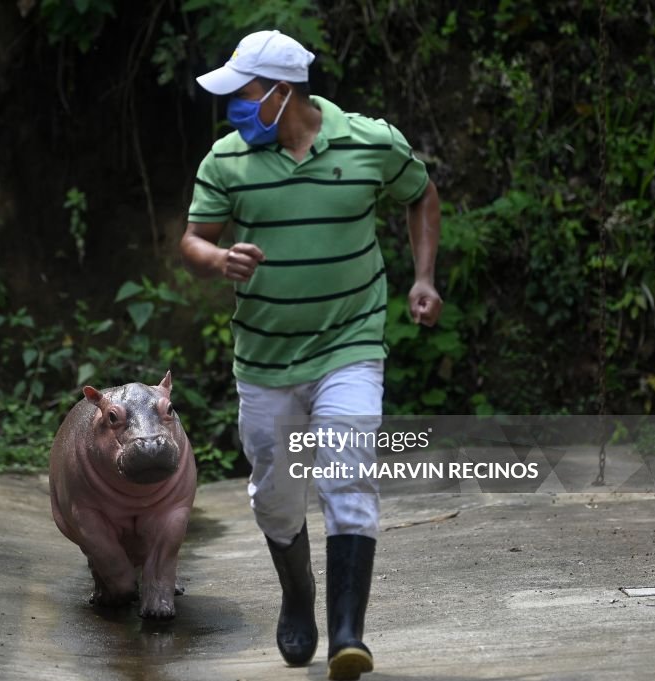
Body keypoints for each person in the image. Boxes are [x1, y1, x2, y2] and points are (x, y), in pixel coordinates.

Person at [180, 30, 442, 681]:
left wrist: (423, 277)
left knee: (347, 473)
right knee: (276, 496)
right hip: (265, 360)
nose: (233, 109)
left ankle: (348, 635)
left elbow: (421, 194)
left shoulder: (370, 142)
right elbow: (193, 239)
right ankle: (298, 594)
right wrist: (217, 258)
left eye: (242, 95)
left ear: (280, 92)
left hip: (348, 346)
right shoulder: (227, 160)